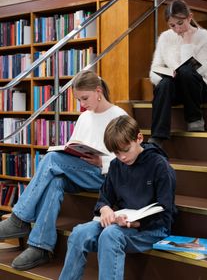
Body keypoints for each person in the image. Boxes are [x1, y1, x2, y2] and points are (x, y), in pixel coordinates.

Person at [0, 70, 127, 270]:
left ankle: (19, 219)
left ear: (98, 91)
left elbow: (128, 159)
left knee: (51, 159)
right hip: (81, 172)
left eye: (85, 98)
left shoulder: (118, 115)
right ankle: (41, 247)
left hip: (105, 177)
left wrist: (101, 162)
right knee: (55, 180)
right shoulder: (85, 117)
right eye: (78, 100)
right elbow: (73, 145)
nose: (82, 104)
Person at [59, 115, 176, 280]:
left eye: (126, 150)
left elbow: (165, 213)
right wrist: (105, 208)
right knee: (78, 233)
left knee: (111, 235)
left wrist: (135, 223)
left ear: (139, 138)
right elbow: (105, 197)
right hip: (121, 224)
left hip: (152, 228)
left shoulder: (160, 166)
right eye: (116, 153)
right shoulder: (116, 165)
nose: (122, 157)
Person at [148, 0, 207, 147]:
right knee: (164, 82)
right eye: (172, 25)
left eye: (180, 23)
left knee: (186, 71)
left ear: (189, 17)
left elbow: (198, 70)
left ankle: (195, 119)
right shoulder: (165, 37)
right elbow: (154, 70)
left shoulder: (206, 38)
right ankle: (158, 136)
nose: (177, 29)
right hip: (176, 89)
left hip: (198, 88)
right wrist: (168, 73)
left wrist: (187, 43)